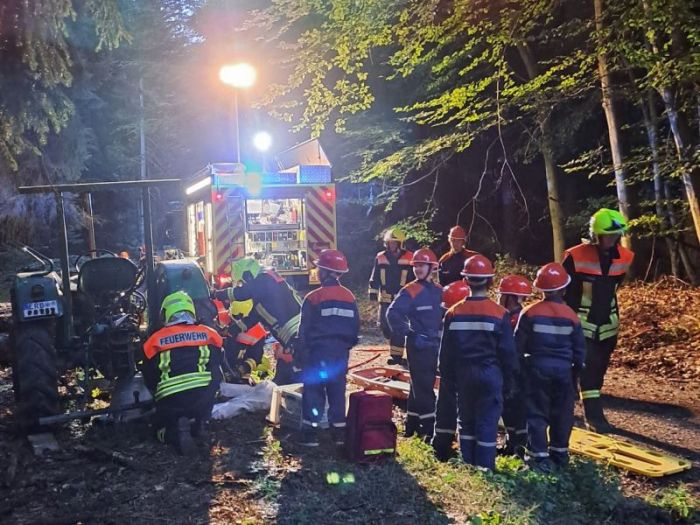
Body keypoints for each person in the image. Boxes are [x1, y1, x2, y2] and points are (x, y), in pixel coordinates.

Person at [438, 255, 517, 470]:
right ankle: (484, 467)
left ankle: (468, 465)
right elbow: (508, 354)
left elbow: (445, 353)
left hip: (463, 374)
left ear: (465, 281)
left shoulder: (453, 313)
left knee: (466, 419)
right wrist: (509, 381)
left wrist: (447, 378)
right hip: (491, 374)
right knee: (487, 421)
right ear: (490, 281)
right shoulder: (500, 314)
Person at [562, 208, 634, 433]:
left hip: (609, 324)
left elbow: (615, 287)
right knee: (588, 368)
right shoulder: (575, 256)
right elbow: (566, 291)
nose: (612, 240)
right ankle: (593, 416)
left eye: (616, 235)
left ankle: (574, 404)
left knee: (599, 368)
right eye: (608, 235)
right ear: (596, 235)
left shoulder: (625, 257)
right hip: (580, 322)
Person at [515, 263, 586, 471]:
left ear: (541, 289)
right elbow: (580, 351)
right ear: (564, 288)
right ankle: (560, 456)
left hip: (536, 369)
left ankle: (538, 458)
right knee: (562, 414)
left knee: (537, 412)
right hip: (564, 371)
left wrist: (518, 371)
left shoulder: (529, 312)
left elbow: (517, 346)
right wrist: (576, 374)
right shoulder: (571, 315)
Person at [142, 291, 223, 455]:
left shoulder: (153, 341)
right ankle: (200, 423)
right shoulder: (210, 334)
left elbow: (149, 376)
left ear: (165, 314)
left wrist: (157, 396)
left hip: (171, 399)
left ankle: (174, 430)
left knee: (156, 429)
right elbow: (217, 364)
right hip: (204, 396)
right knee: (212, 377)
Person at [296, 249, 359, 447]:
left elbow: (303, 332)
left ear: (324, 271)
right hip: (340, 354)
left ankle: (310, 435)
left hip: (317, 353)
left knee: (314, 391)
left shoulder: (313, 297)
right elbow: (355, 330)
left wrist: (300, 358)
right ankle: (339, 434)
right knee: (337, 392)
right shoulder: (350, 297)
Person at [214, 258, 303, 386]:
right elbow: (251, 319)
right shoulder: (264, 296)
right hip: (294, 335)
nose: (243, 286)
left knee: (297, 372)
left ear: (248, 275)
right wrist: (231, 330)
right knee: (291, 372)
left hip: (296, 333)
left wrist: (216, 294)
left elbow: (242, 293)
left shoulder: (264, 278)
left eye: (242, 283)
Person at [387, 248, 443, 440]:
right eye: (416, 266)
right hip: (418, 346)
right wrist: (408, 332)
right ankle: (429, 429)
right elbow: (392, 314)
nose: (417, 269)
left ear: (432, 267)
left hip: (434, 345)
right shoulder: (409, 290)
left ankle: (411, 425)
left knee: (417, 385)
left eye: (422, 265)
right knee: (424, 386)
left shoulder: (439, 292)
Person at [432, 279, 470, 461]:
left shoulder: (447, 316)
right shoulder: (459, 315)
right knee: (464, 408)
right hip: (463, 369)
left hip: (449, 368)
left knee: (446, 405)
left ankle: (441, 443)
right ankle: (462, 448)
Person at [497, 275, 532, 456]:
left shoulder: (514, 319)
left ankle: (517, 446)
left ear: (510, 297)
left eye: (502, 295)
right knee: (512, 410)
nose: (499, 298)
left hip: (514, 371)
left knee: (514, 409)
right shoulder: (519, 316)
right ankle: (514, 444)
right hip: (517, 369)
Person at [368, 228, 414, 366]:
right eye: (390, 242)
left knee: (397, 328)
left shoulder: (410, 257)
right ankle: (395, 348)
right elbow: (374, 276)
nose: (392, 245)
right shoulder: (380, 257)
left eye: (394, 243)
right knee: (385, 327)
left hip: (402, 300)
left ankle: (396, 357)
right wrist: (373, 293)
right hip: (385, 299)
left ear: (400, 243)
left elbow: (414, 278)